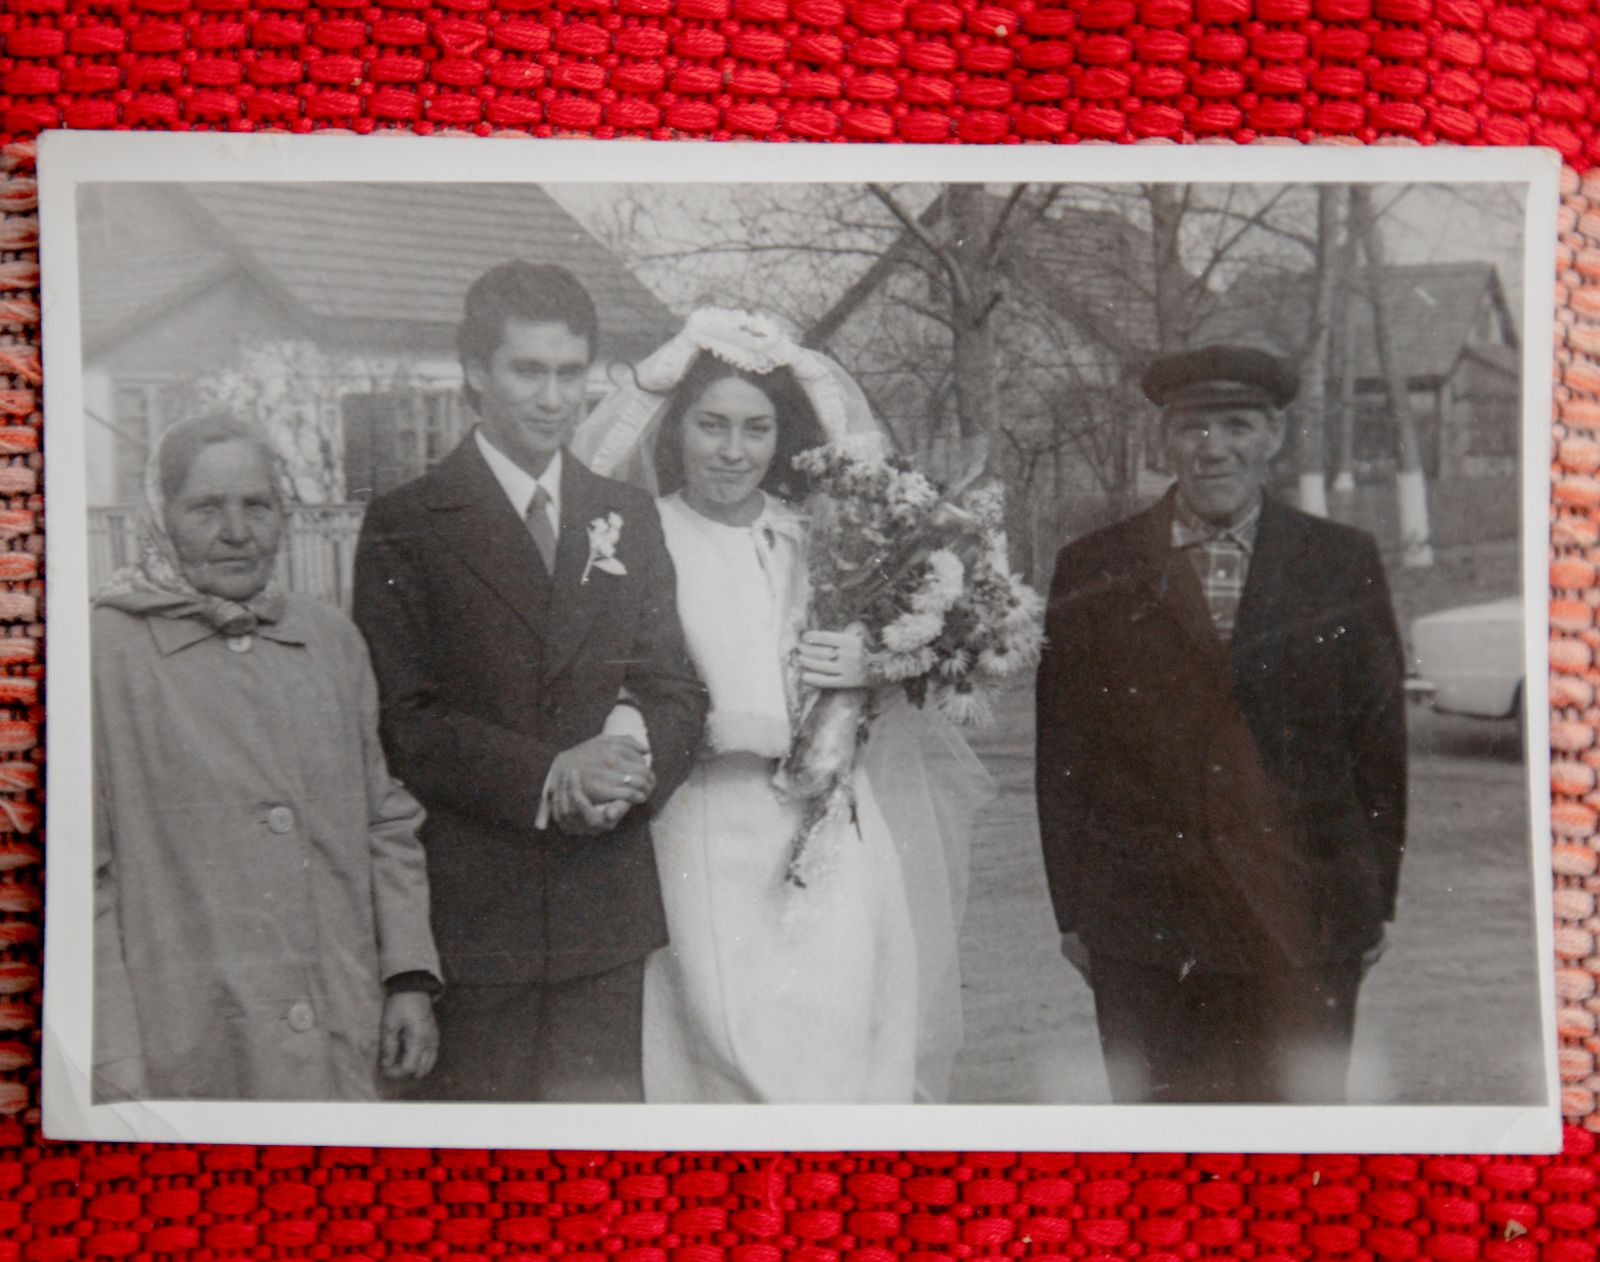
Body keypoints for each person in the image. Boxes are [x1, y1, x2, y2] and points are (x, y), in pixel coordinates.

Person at [572, 308, 988, 1102]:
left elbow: (891, 682)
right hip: (702, 833)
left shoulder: (815, 537)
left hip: (827, 837)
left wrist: (874, 664)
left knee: (843, 1038)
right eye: (712, 425)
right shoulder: (638, 536)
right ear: (677, 429)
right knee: (731, 1051)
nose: (733, 451)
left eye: (755, 429)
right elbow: (611, 685)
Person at [352, 261, 708, 1102]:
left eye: (570, 374)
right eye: (527, 371)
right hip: (477, 922)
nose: (554, 398)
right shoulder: (407, 523)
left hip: (604, 916)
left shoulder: (625, 513)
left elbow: (675, 689)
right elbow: (402, 720)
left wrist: (622, 757)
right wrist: (549, 776)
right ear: (475, 372)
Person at [1034, 343, 1407, 1104]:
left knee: (1300, 1157)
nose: (1213, 451)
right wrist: (1075, 913)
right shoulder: (1093, 567)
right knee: (1164, 1164)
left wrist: (1372, 904)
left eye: (1236, 426)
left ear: (1273, 437)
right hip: (1146, 928)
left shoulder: (1341, 561)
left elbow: (1378, 748)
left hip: (1304, 918)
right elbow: (1064, 755)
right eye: (1192, 431)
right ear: (1163, 442)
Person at [92, 415, 441, 1102]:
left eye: (257, 504)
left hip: (343, 1016)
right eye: (205, 508)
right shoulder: (102, 653)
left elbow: (383, 822)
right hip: (187, 1039)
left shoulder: (330, 641)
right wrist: (110, 1054)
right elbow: (83, 880)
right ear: (158, 517)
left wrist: (406, 976)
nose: (236, 531)